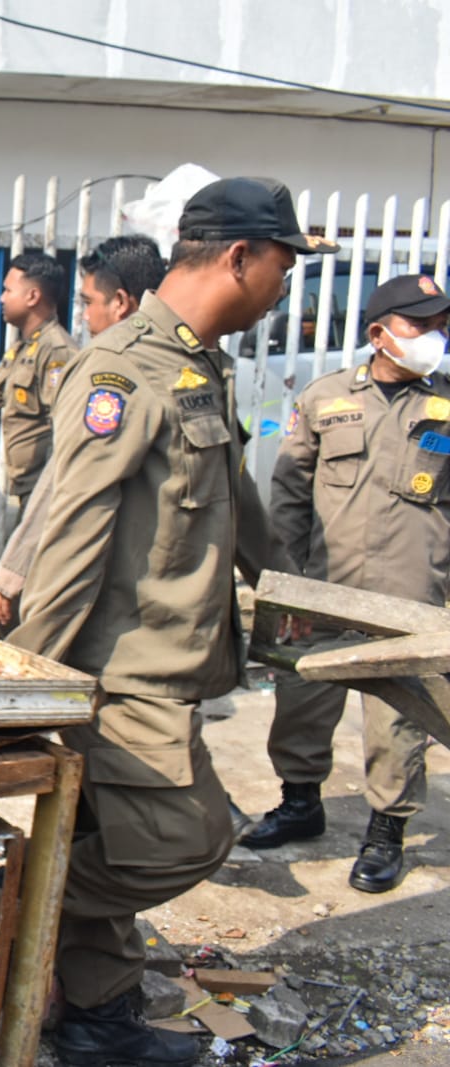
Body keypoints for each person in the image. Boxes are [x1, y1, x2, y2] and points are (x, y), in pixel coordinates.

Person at [9, 177, 337, 1066]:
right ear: (239, 255)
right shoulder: (122, 370)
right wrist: (25, 685)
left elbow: (237, 503)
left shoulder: (200, 363)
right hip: (122, 676)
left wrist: (292, 596)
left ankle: (96, 1018)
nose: (284, 287)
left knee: (106, 839)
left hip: (175, 668)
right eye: (282, 267)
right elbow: (71, 536)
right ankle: (10, 902)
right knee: (189, 840)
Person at [241, 273, 450, 894]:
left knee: (398, 718)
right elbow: (289, 495)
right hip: (324, 589)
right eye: (420, 325)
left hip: (411, 595)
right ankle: (300, 802)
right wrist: (287, 584)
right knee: (303, 698)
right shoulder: (326, 398)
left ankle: (386, 831)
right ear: (379, 333)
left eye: (441, 326)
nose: (434, 337)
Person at [0, 236, 168, 632]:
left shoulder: (104, 372)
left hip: (69, 515)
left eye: (88, 303)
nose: (84, 317)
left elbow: (65, 471)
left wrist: (12, 573)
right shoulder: (179, 363)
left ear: (119, 303)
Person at [0, 250, 75, 508]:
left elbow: (64, 424)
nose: (1, 298)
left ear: (32, 296)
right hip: (28, 485)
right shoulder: (25, 348)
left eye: (8, 290)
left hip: (46, 488)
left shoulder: (56, 351)